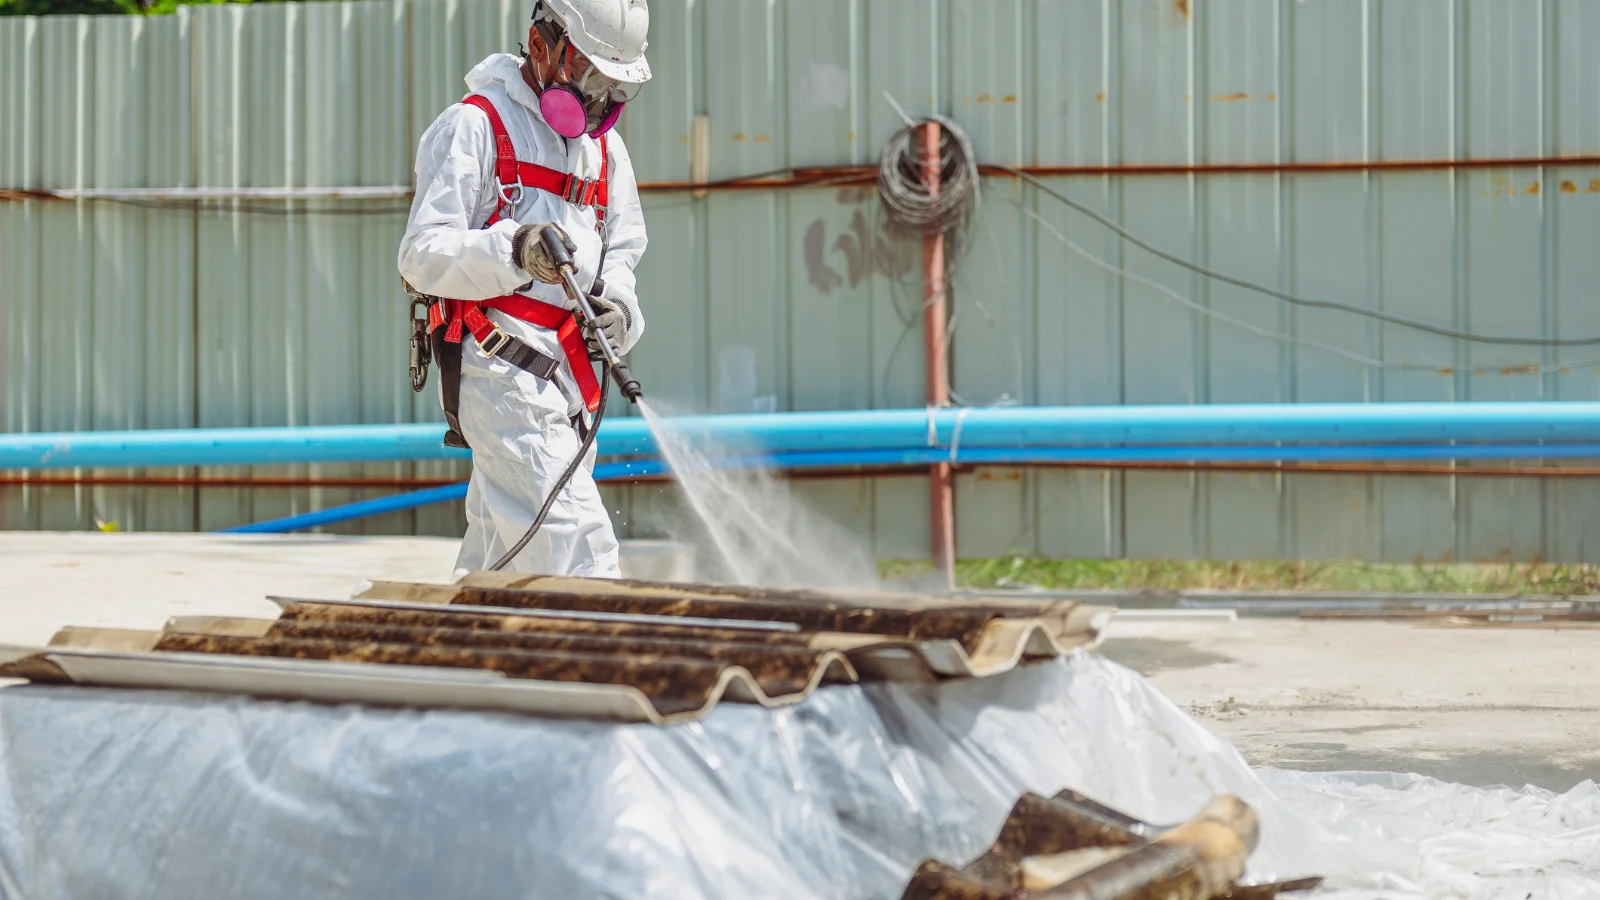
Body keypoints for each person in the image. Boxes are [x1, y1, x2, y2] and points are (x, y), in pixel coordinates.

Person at [397, 0, 650, 578]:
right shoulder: (474, 126)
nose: (600, 103)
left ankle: (472, 645)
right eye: (590, 78)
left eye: (617, 88)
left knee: (505, 553)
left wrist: (622, 312)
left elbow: (624, 253)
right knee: (571, 542)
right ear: (542, 47)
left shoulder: (605, 151)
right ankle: (603, 660)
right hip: (499, 363)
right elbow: (421, 255)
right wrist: (514, 250)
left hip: (572, 375)